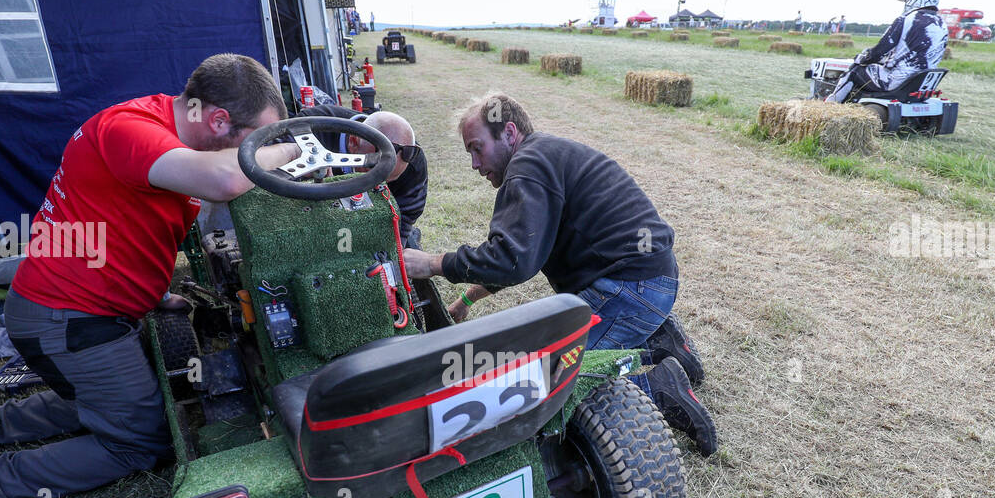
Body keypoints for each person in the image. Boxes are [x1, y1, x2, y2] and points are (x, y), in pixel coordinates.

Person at [0, 54, 301, 498]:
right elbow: (225, 181)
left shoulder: (161, 134)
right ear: (218, 120)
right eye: (252, 139)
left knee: (114, 396)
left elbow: (127, 225)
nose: (254, 150)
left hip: (76, 315)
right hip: (65, 321)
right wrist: (293, 147)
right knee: (141, 441)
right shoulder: (129, 129)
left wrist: (154, 295)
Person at [401, 94, 717, 456]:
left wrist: (432, 263)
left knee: (544, 376)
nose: (474, 164)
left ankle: (659, 388)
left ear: (508, 133)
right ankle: (660, 340)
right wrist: (466, 300)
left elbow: (511, 259)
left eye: (477, 148)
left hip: (631, 288)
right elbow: (527, 251)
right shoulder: (544, 155)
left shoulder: (527, 166)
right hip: (651, 277)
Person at [296, 104, 429, 246]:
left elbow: (406, 216)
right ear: (353, 142)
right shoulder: (312, 127)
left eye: (388, 182)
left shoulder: (414, 164)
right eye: (372, 174)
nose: (378, 187)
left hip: (376, 221)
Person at [825, 0, 947, 104]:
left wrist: (864, 58)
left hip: (898, 81)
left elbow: (880, 50)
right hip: (920, 84)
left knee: (855, 71)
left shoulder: (907, 19)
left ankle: (830, 105)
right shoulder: (942, 24)